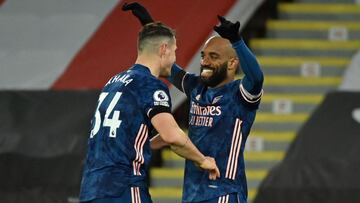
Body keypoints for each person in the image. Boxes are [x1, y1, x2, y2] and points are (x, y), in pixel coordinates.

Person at [123, 3, 264, 203]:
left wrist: (236, 40)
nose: (205, 62)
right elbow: (168, 66)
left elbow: (257, 78)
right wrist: (149, 25)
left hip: (224, 192)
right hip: (192, 194)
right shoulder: (197, 87)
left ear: (232, 63)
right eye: (203, 56)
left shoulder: (240, 95)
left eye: (213, 57)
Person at [79, 20, 220, 203]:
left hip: (90, 189)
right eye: (175, 50)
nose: (175, 58)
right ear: (164, 49)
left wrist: (152, 143)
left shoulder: (113, 82)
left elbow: (123, 134)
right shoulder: (151, 85)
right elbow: (173, 137)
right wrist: (203, 160)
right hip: (123, 189)